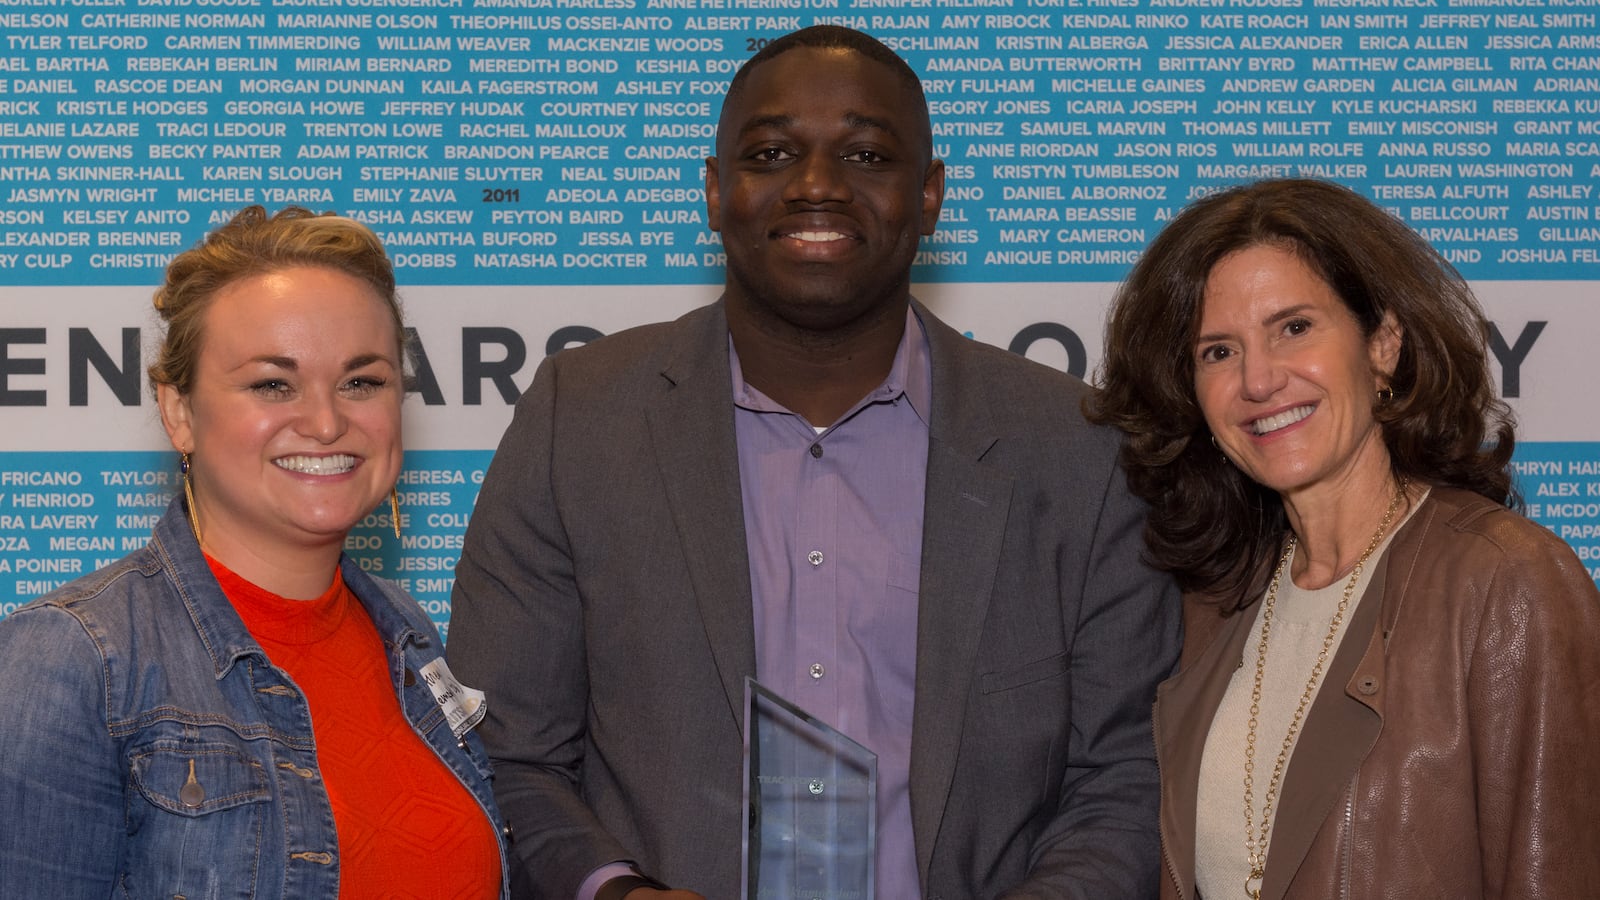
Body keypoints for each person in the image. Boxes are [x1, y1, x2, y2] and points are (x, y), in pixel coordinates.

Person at [446, 24, 1179, 900]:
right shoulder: (581, 420)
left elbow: (1124, 775)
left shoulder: (1076, 448)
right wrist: (613, 892)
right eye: (771, 152)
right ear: (716, 192)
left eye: (867, 155)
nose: (819, 187)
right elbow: (508, 751)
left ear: (931, 195)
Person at [1088, 177, 1600, 899]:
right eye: (1218, 352)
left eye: (1294, 328)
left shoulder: (1507, 582)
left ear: (1383, 345)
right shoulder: (1214, 601)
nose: (1259, 380)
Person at [0, 206, 509, 898]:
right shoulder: (72, 660)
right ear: (178, 411)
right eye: (274, 384)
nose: (328, 422)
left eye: (362, 381)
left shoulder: (407, 639)